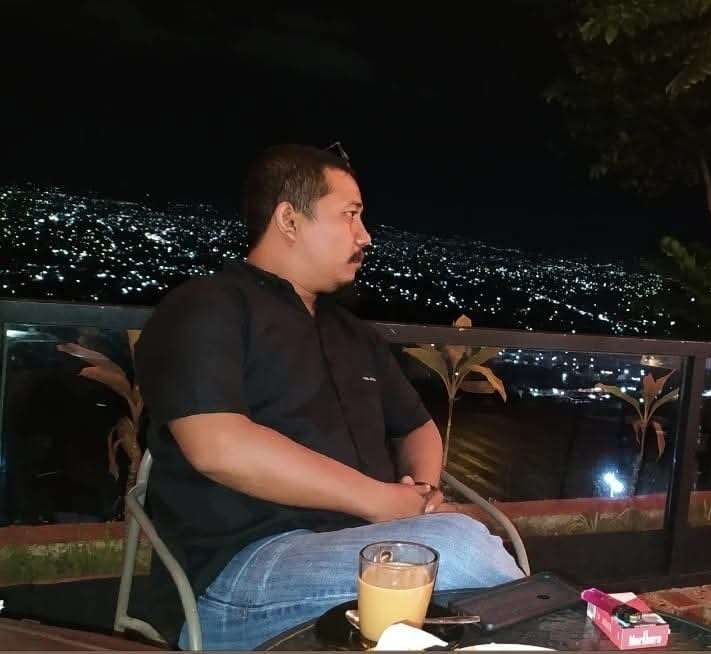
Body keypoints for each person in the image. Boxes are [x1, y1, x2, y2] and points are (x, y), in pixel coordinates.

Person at [134, 144, 524, 650]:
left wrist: (421, 495)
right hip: (239, 573)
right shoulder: (208, 307)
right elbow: (217, 445)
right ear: (289, 220)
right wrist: (379, 501)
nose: (365, 236)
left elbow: (416, 427)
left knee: (456, 563)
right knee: (460, 549)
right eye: (350, 215)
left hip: (362, 549)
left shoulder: (353, 335)